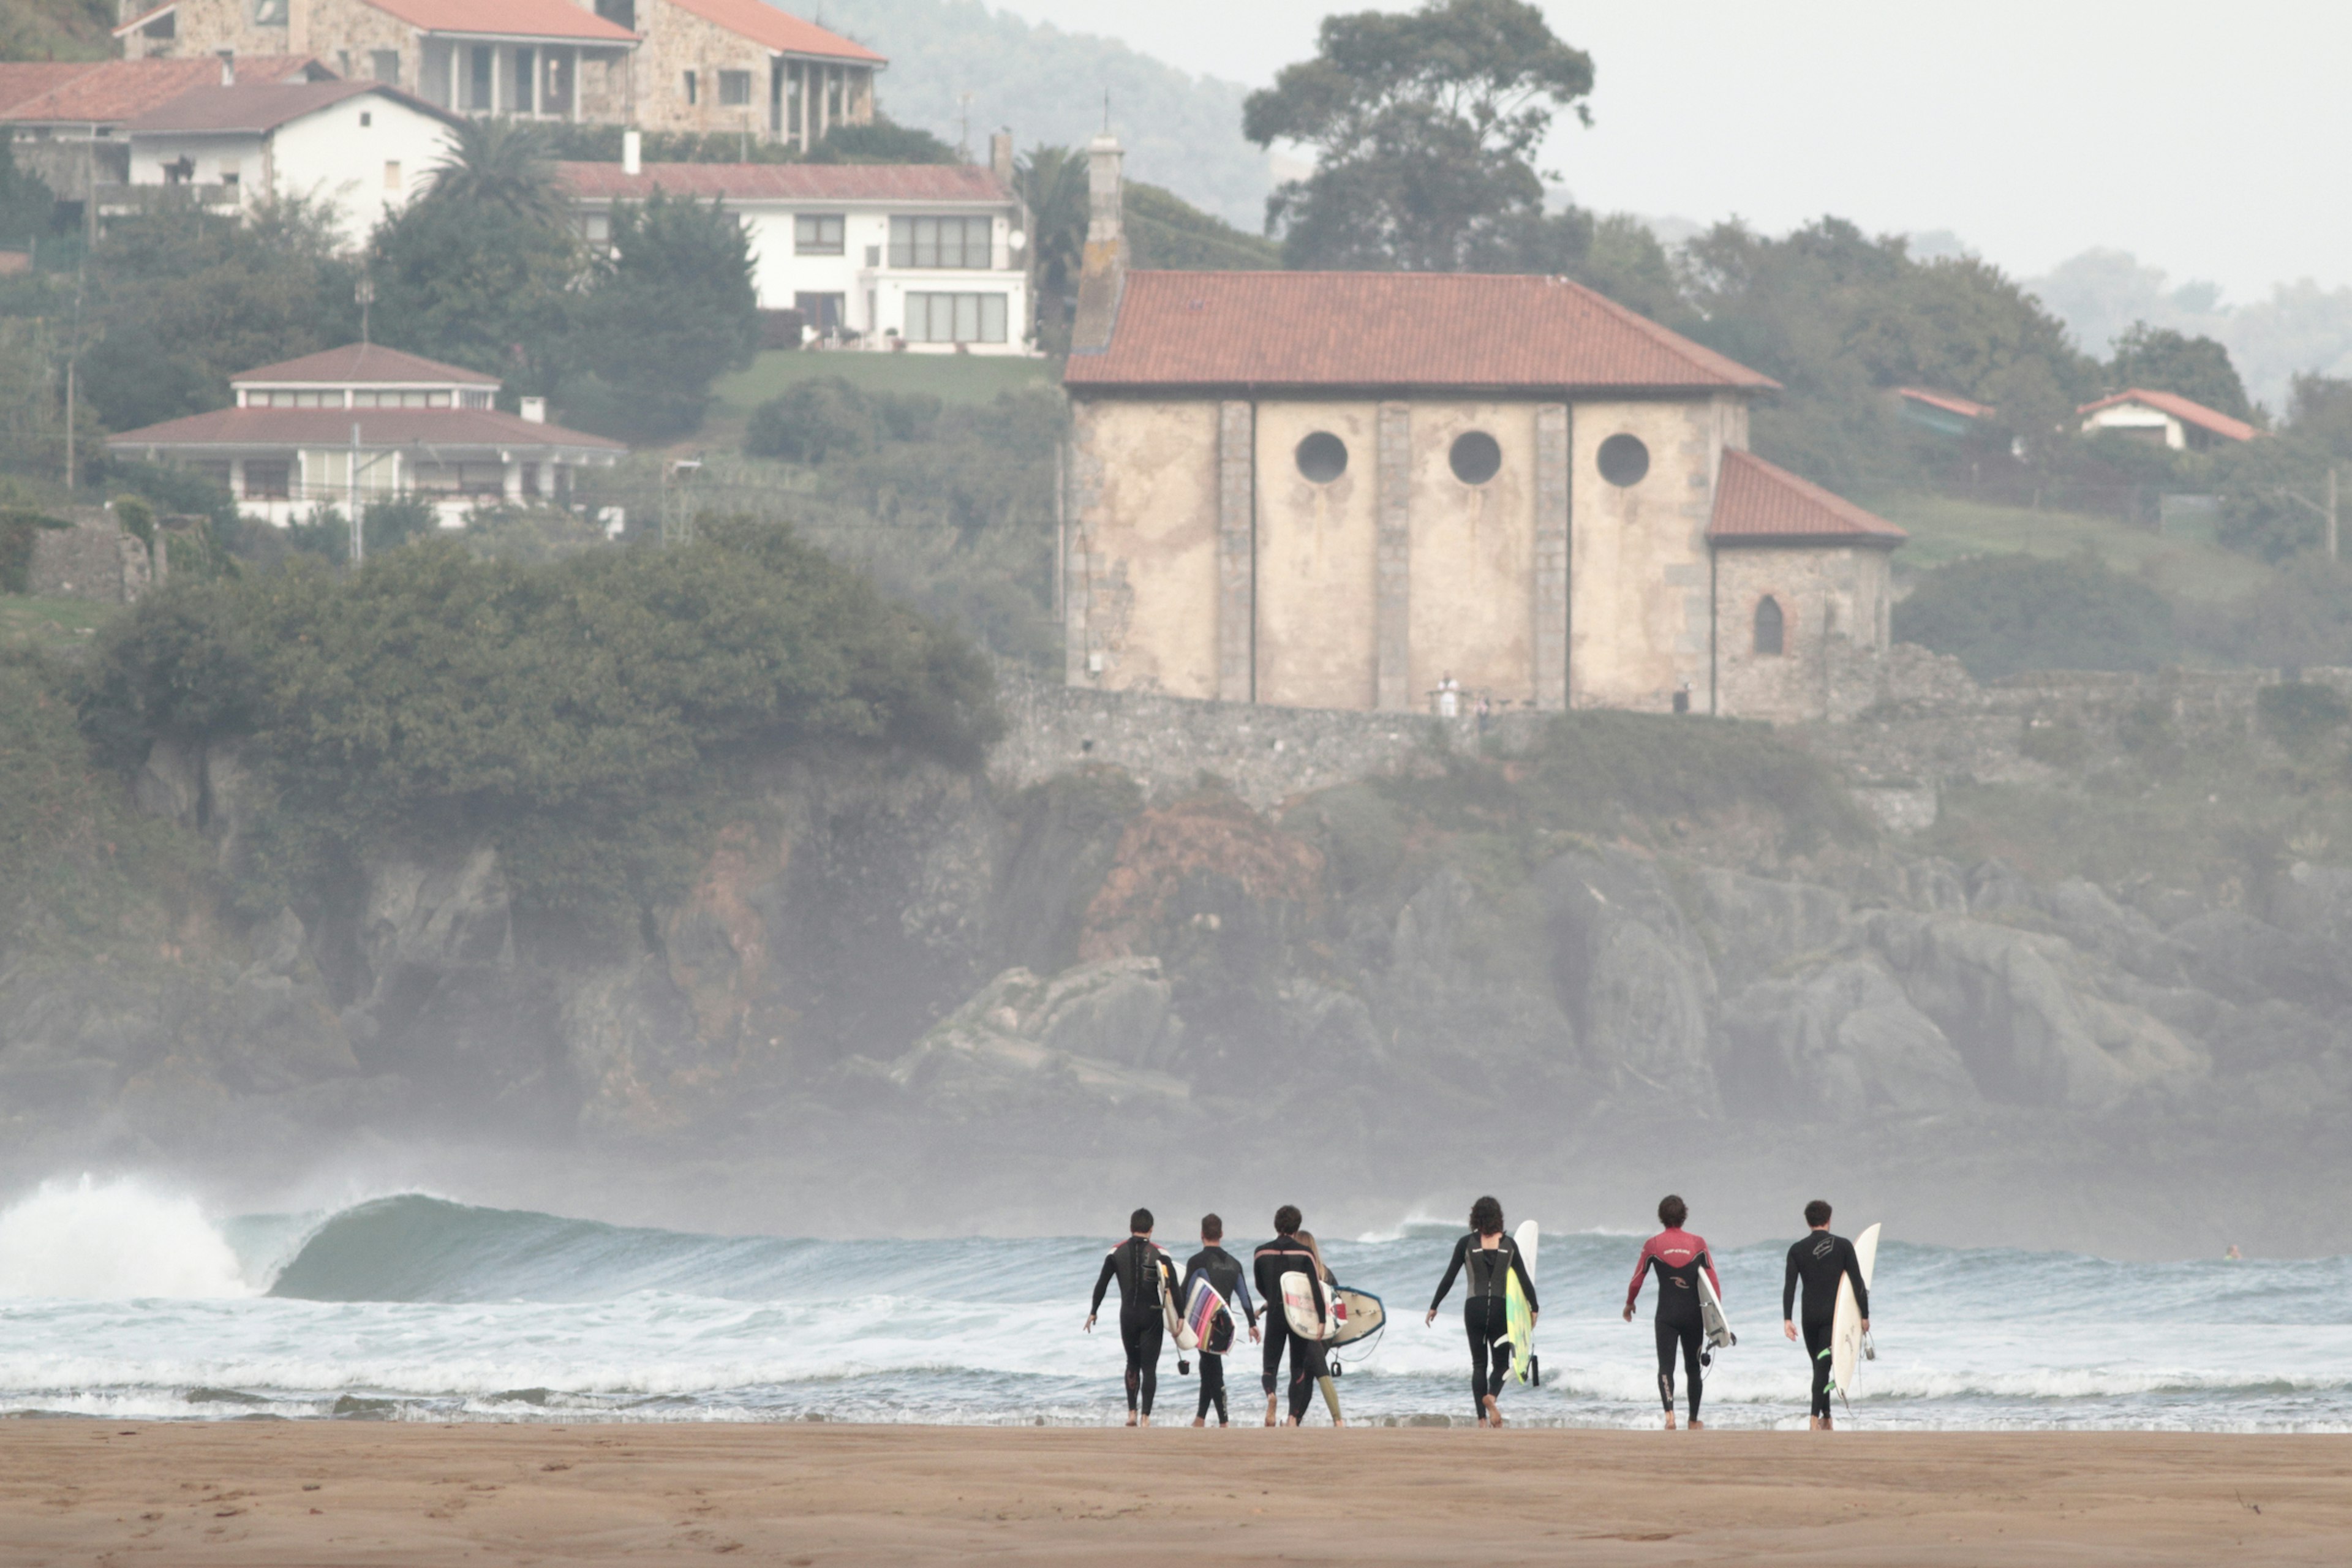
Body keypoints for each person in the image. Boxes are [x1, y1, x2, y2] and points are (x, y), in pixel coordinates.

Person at [1425, 1194, 1538, 1427]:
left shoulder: (1465, 1244)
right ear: (1498, 1217)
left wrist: (1434, 1305)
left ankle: (1481, 1420)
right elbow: (1525, 1280)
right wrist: (1534, 1307)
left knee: (1479, 1365)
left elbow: (1449, 1277)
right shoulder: (1509, 1245)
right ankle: (1492, 1397)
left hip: (1474, 1308)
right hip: (1499, 1310)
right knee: (1502, 1365)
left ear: (1475, 1217)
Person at [1624, 1194, 1721, 1431]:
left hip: (1666, 1316)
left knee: (1665, 1367)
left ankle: (1669, 1417)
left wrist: (1630, 1303)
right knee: (1693, 1368)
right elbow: (1713, 1280)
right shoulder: (1698, 1243)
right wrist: (1717, 1315)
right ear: (1684, 1215)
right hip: (1693, 1316)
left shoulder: (1653, 1245)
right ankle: (1693, 1420)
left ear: (1661, 1217)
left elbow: (1637, 1279)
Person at [1781, 1199, 1870, 1431]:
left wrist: (1787, 1319)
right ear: (1829, 1220)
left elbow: (1789, 1287)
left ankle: (1827, 1417)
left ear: (1808, 1222)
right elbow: (1857, 1283)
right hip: (1834, 1318)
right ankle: (1814, 1419)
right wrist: (1864, 1314)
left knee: (1820, 1367)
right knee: (1822, 1368)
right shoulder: (1843, 1246)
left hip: (1809, 1317)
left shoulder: (1797, 1250)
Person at [1085, 1207, 1178, 1427]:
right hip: (1152, 1314)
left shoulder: (1115, 1253)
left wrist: (1093, 1310)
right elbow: (1173, 1287)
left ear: (1131, 1228)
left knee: (1132, 1363)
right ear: (1151, 1229)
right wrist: (1181, 1317)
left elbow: (1102, 1283)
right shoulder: (1161, 1253)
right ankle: (1146, 1417)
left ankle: (1132, 1414)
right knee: (1149, 1368)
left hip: (1127, 1315)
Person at [1253, 1206, 1333, 1427]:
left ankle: (1271, 1395)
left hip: (1276, 1314)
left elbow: (1261, 1285)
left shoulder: (1260, 1252)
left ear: (1276, 1224)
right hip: (1298, 1316)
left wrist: (1272, 1297)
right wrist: (1322, 1321)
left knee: (1270, 1366)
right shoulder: (1305, 1253)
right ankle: (1292, 1418)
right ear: (1297, 1227)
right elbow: (1314, 1289)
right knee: (1297, 1368)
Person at [1180, 1213, 1261, 1427]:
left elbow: (1185, 1294)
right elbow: (1245, 1297)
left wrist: (1178, 1320)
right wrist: (1252, 1324)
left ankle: (1224, 1421)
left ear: (1202, 1234)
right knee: (1209, 1365)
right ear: (1222, 1234)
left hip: (1203, 1324)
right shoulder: (1235, 1264)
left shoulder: (1197, 1261)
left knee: (1212, 1369)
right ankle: (1200, 1418)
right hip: (1225, 1327)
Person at [1293, 1229, 1347, 1427]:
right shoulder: (1326, 1272)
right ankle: (1295, 1420)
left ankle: (1338, 1419)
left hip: (1307, 1332)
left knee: (1319, 1373)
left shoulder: (1295, 1276)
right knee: (1307, 1377)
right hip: (1327, 1334)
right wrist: (1338, 1336)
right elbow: (1340, 1306)